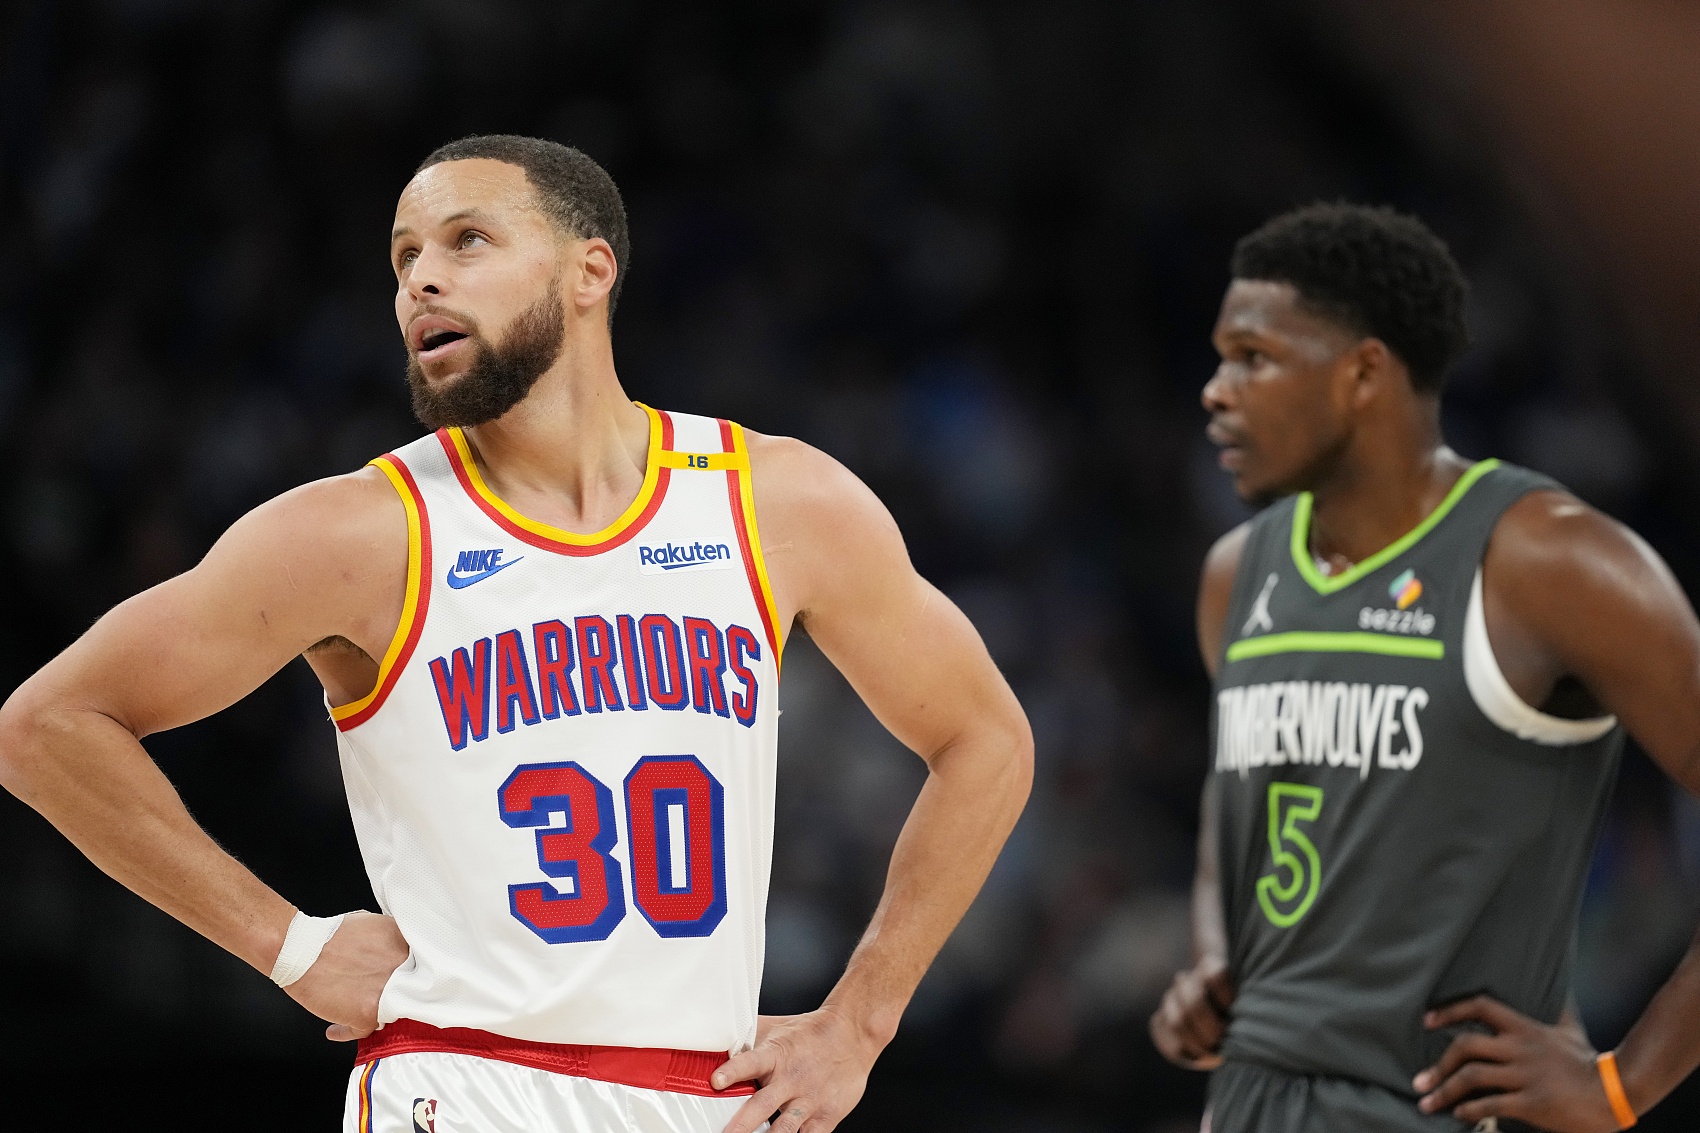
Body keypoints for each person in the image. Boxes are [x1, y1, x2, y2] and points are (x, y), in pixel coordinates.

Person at [0, 135, 1033, 1133]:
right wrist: (289, 945)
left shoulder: (776, 500)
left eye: (467, 241)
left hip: (709, 1092)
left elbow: (985, 739)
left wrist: (859, 1019)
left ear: (590, 271)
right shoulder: (359, 533)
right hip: (465, 1082)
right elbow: (45, 725)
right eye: (404, 258)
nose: (421, 280)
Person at [1149, 202, 1700, 1132]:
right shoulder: (1234, 576)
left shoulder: (1551, 560)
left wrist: (1625, 1082)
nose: (1215, 390)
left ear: (1364, 373)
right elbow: (1232, 819)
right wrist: (1212, 959)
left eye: (1253, 357)